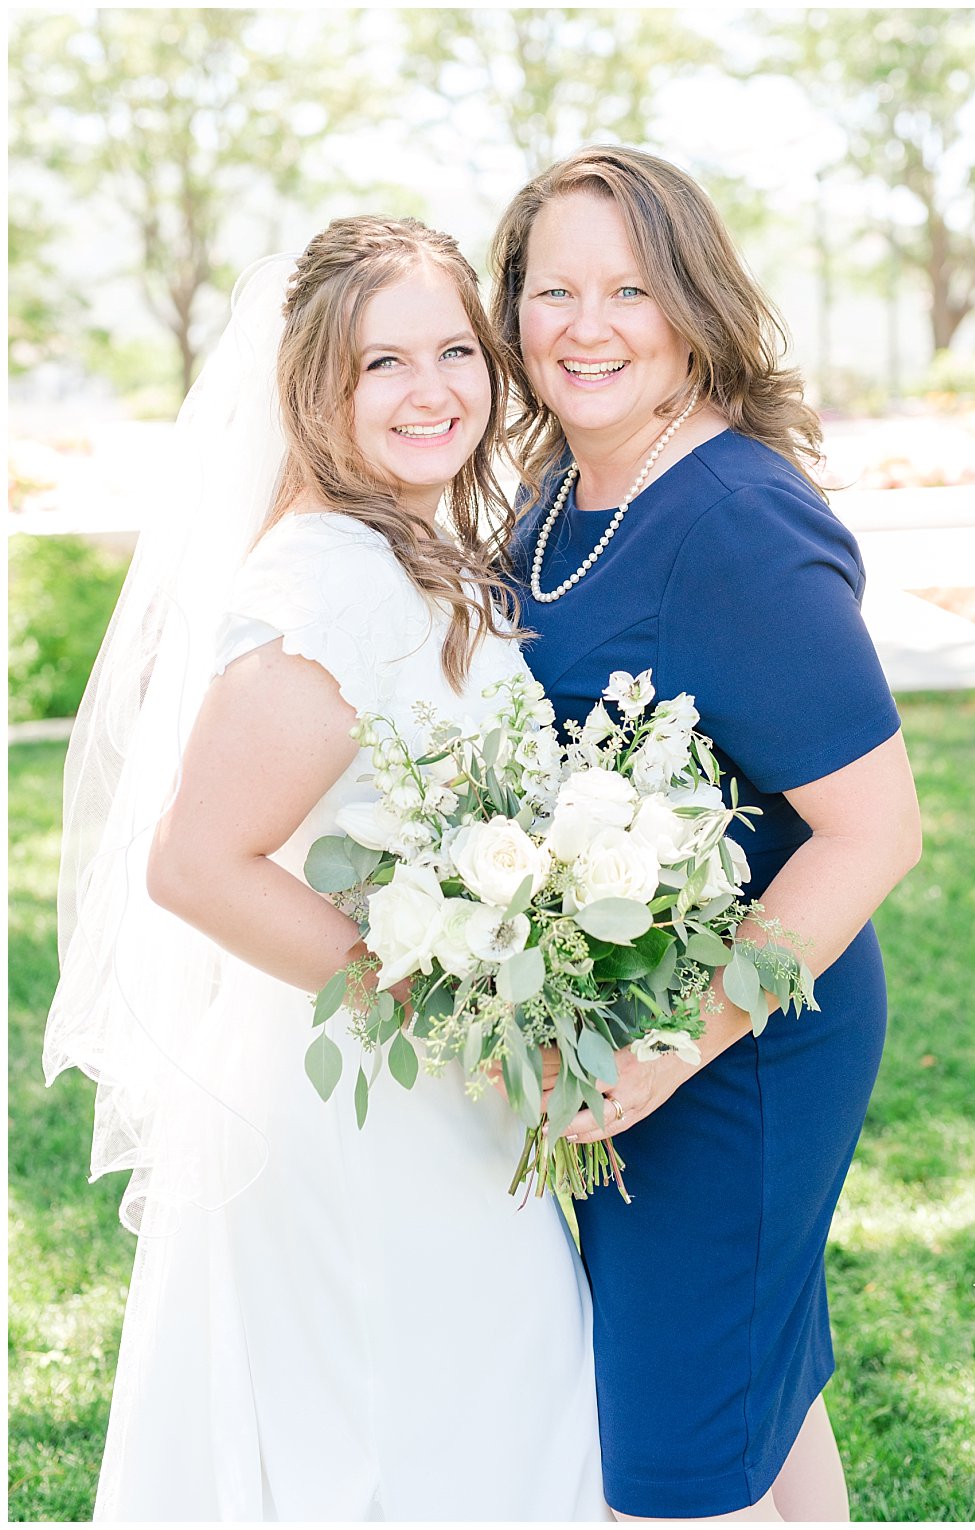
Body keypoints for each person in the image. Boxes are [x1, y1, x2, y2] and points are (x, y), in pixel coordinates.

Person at [44, 218, 605, 1519]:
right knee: (402, 1446)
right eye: (381, 364)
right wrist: (435, 1007)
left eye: (455, 350)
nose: (432, 391)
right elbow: (196, 863)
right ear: (313, 387)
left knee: (491, 1419)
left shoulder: (417, 548)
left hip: (442, 1091)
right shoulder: (325, 582)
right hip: (365, 1098)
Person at [491, 146, 922, 1521]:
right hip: (625, 1021)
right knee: (753, 1387)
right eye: (551, 290)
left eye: (629, 288)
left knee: (671, 1448)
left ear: (691, 303)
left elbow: (876, 830)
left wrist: (678, 1046)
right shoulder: (556, 486)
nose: (587, 325)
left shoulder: (734, 518)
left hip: (746, 1046)